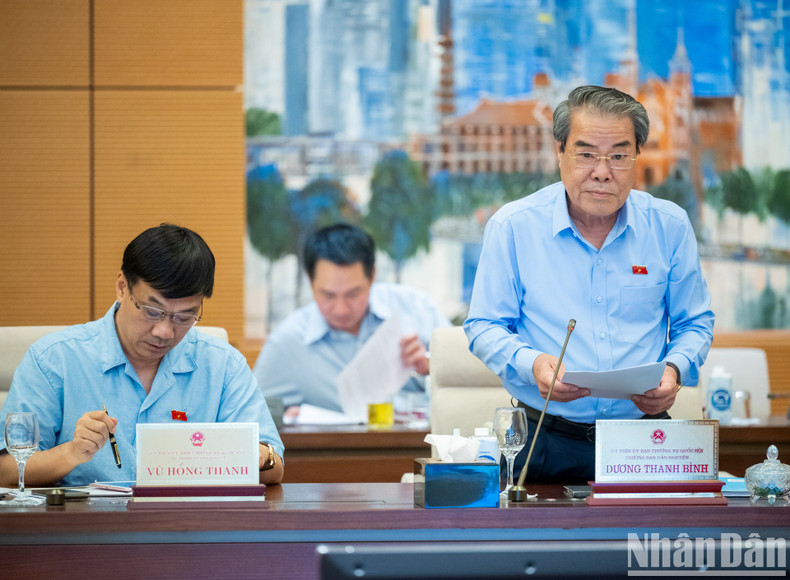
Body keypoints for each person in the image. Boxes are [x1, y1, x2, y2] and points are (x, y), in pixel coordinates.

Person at [464, 85, 715, 483]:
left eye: (618, 155)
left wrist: (675, 369)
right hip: (546, 438)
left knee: (653, 544)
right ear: (560, 152)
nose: (602, 171)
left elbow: (694, 324)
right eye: (586, 155)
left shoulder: (669, 226)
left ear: (637, 157)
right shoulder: (513, 227)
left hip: (645, 440)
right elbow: (483, 327)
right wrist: (533, 365)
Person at [0, 224, 284, 487]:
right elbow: (7, 472)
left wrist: (259, 456)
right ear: (123, 287)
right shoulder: (54, 360)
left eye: (185, 317)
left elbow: (275, 467)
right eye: (152, 311)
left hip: (188, 530)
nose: (165, 331)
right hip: (86, 531)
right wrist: (72, 453)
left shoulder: (223, 365)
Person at [254, 223, 451, 419]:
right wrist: (287, 418)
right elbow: (250, 415)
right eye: (328, 295)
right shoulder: (287, 343)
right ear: (310, 280)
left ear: (372, 276)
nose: (341, 309)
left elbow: (468, 382)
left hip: (420, 444)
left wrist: (431, 367)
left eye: (353, 294)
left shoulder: (416, 309)